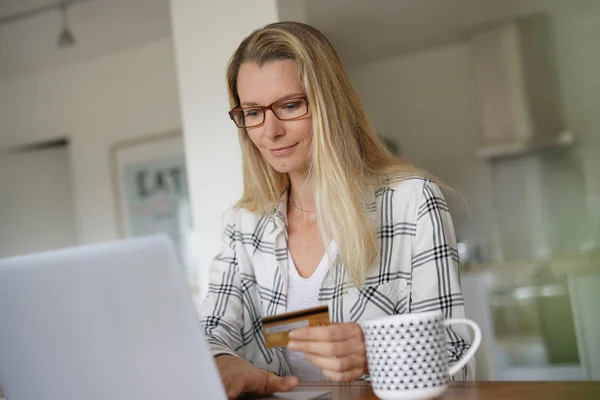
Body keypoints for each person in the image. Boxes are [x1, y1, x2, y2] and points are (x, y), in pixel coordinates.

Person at [200, 21, 474, 399]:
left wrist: (376, 353)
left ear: (330, 104)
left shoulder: (412, 202)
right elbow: (211, 332)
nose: (270, 131)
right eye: (252, 112)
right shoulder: (243, 224)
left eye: (290, 105)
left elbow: (460, 361)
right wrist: (219, 360)